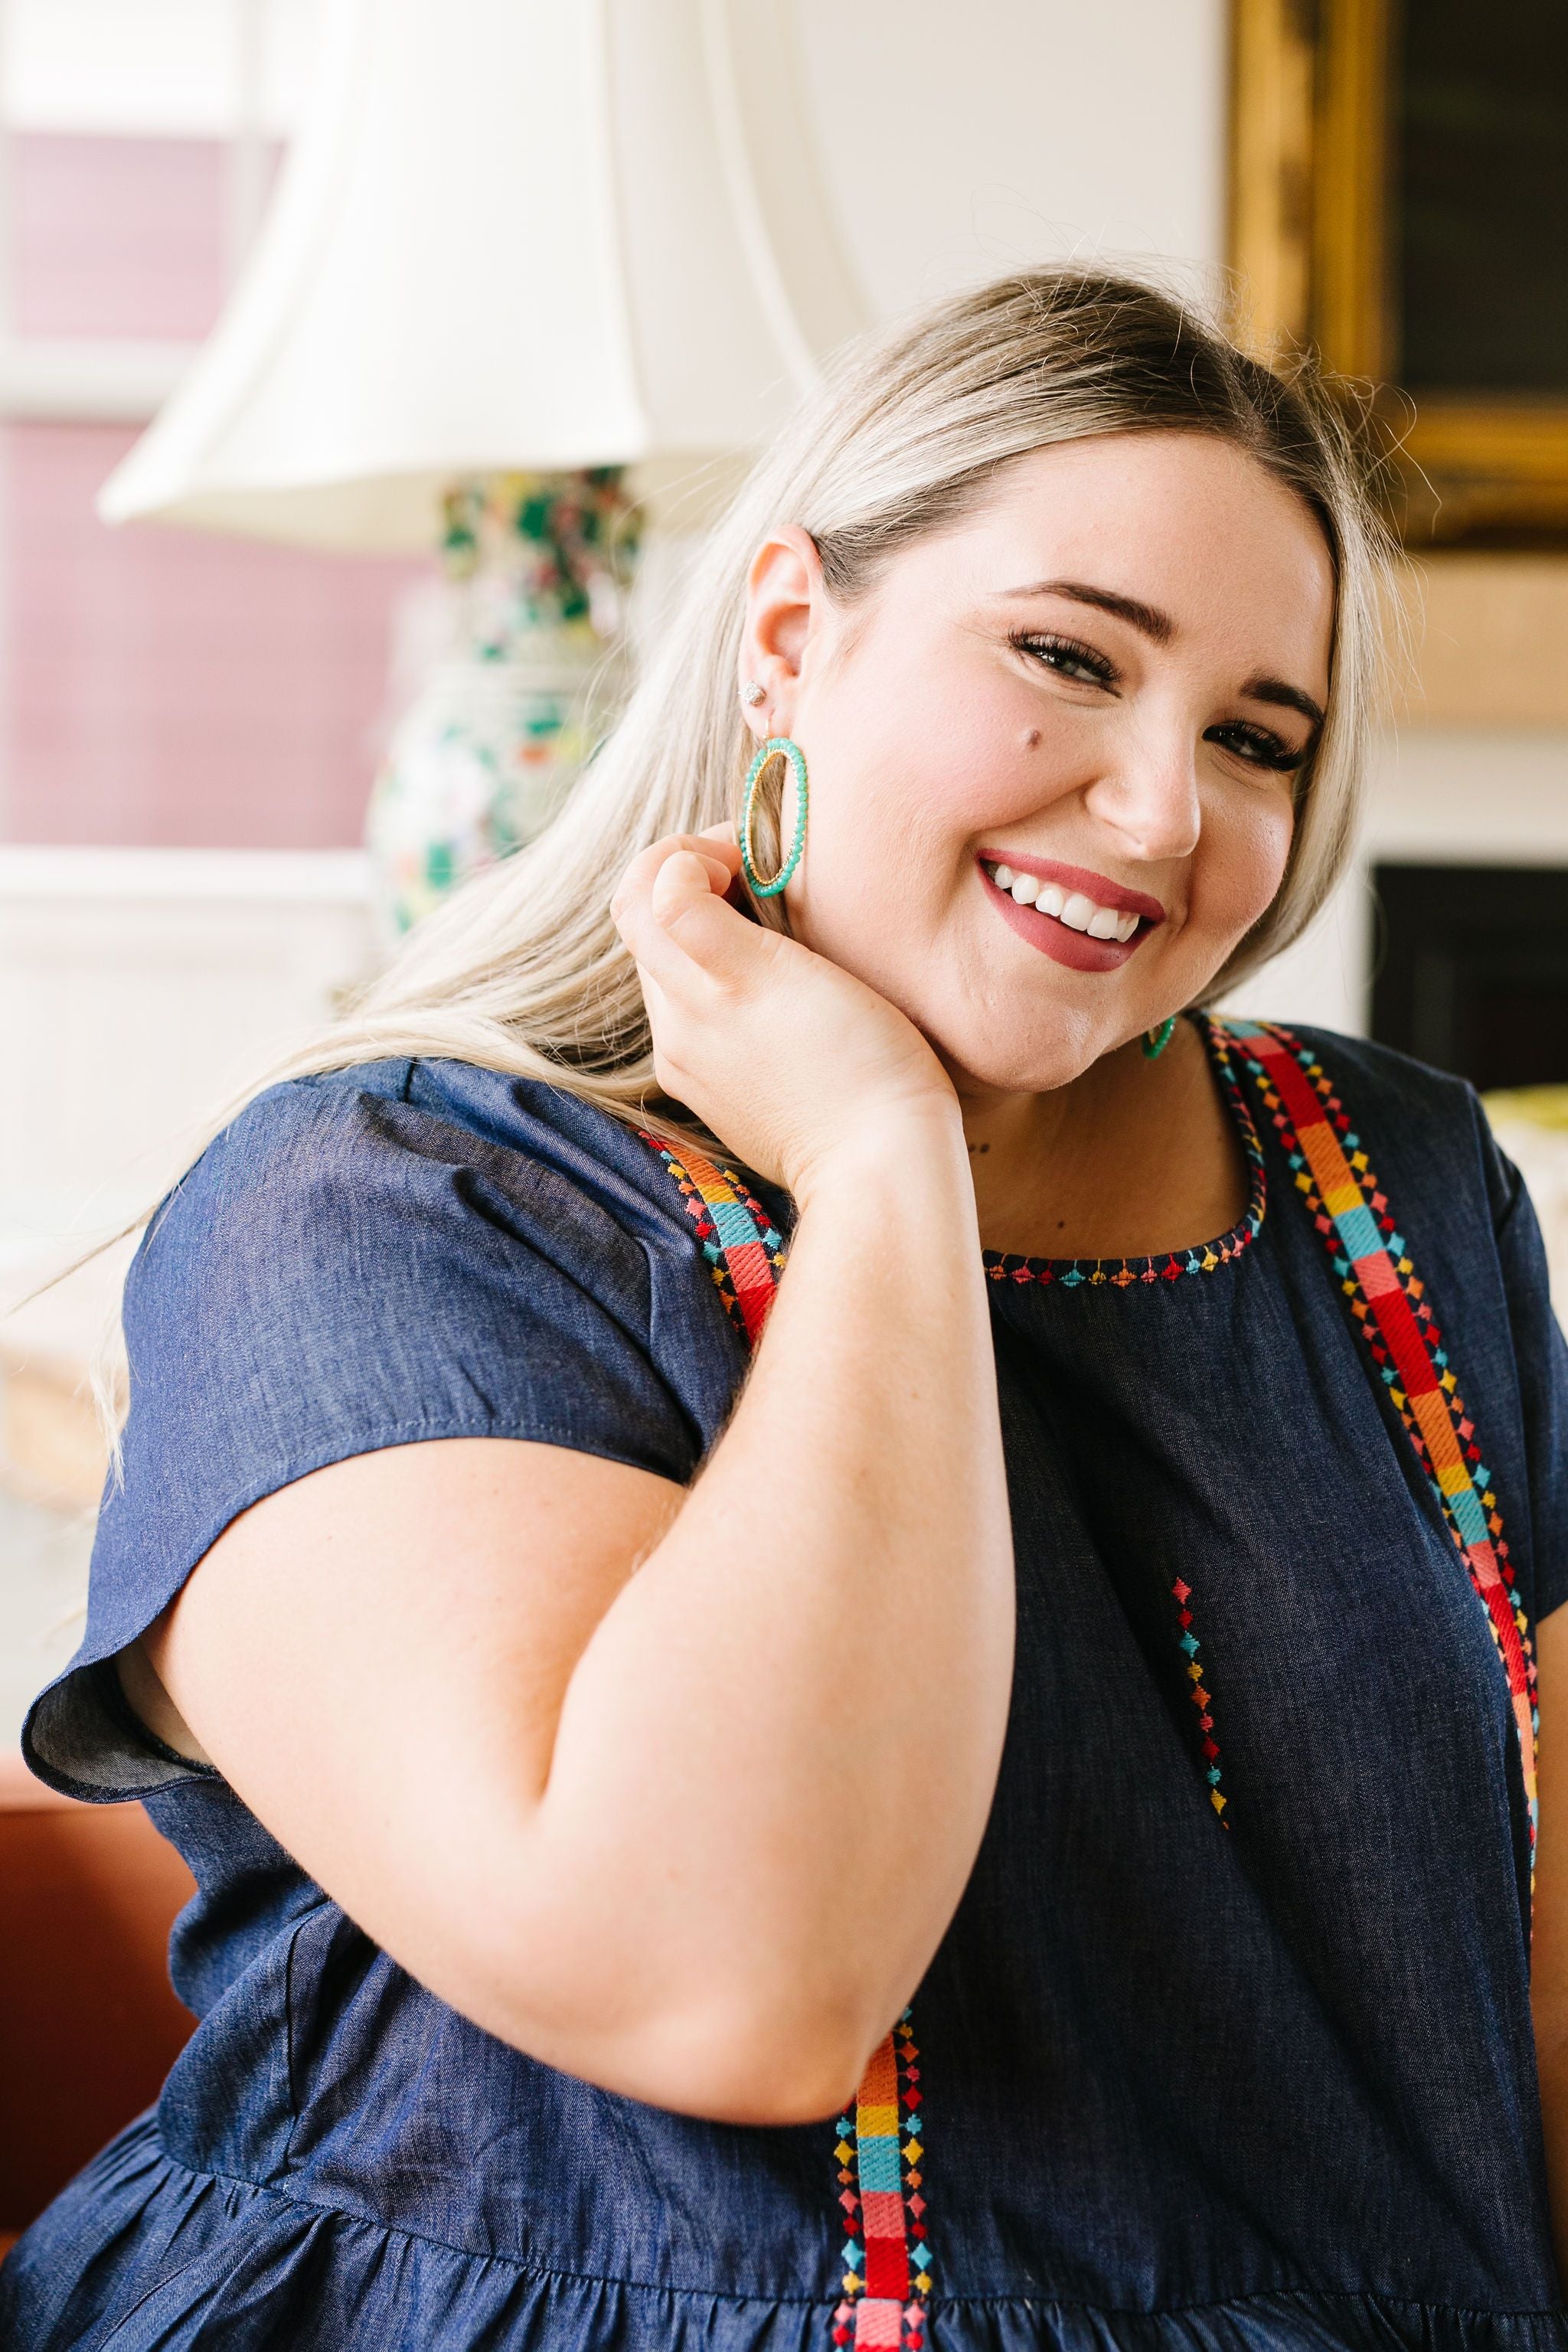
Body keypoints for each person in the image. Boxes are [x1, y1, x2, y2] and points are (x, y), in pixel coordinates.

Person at [5, 270, 1568, 2352]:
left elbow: (1530, 1992)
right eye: (1068, 657)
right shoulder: (385, 1208)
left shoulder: (1403, 1192)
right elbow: (729, 1988)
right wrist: (879, 1162)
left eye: (1254, 739)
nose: (1166, 811)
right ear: (786, 639)